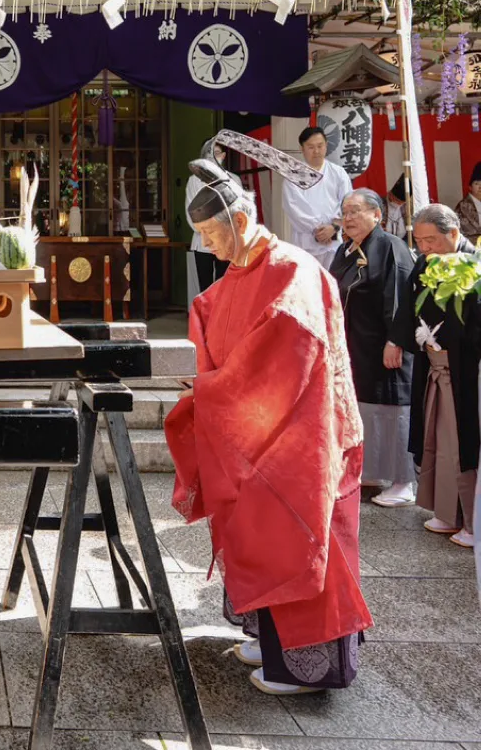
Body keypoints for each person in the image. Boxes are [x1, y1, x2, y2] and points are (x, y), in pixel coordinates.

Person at [165, 156, 371, 697]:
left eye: (212, 232)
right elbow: (215, 318)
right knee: (251, 529)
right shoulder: (239, 275)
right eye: (202, 234)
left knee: (297, 534)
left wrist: (210, 388)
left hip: (300, 434)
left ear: (238, 218)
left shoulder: (293, 269)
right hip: (252, 434)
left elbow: (284, 355)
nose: (208, 244)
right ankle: (269, 636)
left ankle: (307, 666)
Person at [330, 190, 416, 507]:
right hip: (356, 346)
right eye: (344, 211)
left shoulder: (391, 247)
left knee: (393, 410)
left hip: (385, 345)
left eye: (355, 211)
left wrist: (395, 340)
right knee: (365, 408)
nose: (348, 217)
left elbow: (400, 298)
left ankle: (403, 481)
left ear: (377, 215)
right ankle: (371, 472)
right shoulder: (345, 250)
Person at [408, 204, 480, 548]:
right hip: (433, 367)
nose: (424, 248)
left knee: (462, 444)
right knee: (437, 440)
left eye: (431, 240)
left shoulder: (474, 265)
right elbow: (408, 307)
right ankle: (446, 512)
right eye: (419, 240)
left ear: (454, 233)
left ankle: (470, 519)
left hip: (464, 371)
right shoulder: (425, 262)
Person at [282, 126, 352, 268]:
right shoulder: (293, 177)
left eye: (320, 146)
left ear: (326, 146)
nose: (316, 151)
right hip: (306, 242)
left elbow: (348, 202)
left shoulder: (338, 173)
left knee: (333, 284)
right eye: (311, 147)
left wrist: (333, 227)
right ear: (302, 149)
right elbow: (294, 209)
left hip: (333, 240)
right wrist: (318, 230)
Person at [185, 137, 242, 307]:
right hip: (203, 240)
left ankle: (222, 321)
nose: (212, 157)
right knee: (205, 286)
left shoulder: (233, 180)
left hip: (226, 240)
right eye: (208, 154)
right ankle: (206, 322)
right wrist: (206, 230)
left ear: (223, 156)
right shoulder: (194, 181)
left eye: (216, 153)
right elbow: (191, 211)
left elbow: (238, 210)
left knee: (225, 283)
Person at [455, 163, 481, 244]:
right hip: (470, 244)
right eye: (476, 184)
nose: (480, 187)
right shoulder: (463, 206)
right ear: (470, 187)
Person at [385, 175, 408, 240]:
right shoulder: (380, 204)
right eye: (396, 200)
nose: (398, 204)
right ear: (390, 194)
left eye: (401, 202)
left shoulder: (406, 208)